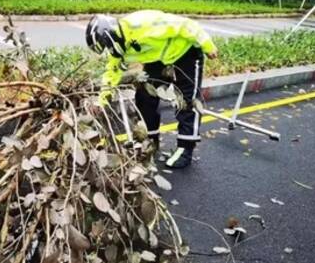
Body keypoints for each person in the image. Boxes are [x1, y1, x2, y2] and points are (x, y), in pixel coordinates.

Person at [85, 10, 218, 169]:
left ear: (109, 36)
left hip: (185, 51)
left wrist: (208, 45)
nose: (109, 51)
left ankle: (185, 148)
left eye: (106, 46)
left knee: (186, 100)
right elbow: (112, 73)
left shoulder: (140, 24)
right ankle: (149, 141)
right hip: (159, 60)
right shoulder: (121, 48)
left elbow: (187, 25)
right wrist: (101, 101)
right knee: (144, 95)